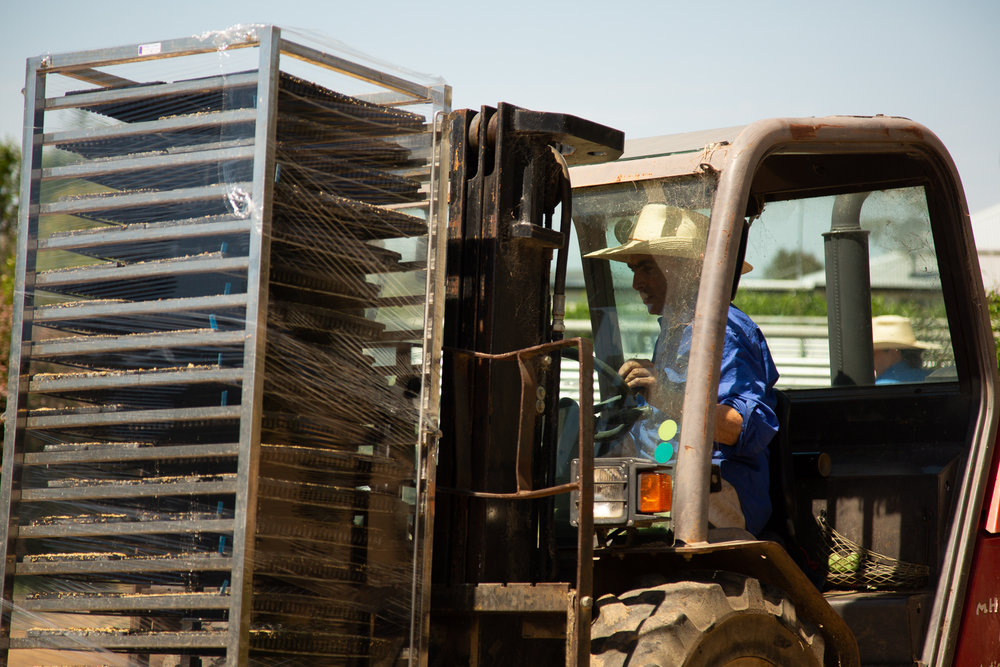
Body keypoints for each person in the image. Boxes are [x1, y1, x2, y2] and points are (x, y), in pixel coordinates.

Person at [585, 203, 779, 537]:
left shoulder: (723, 329)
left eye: (646, 267)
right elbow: (664, 425)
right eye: (633, 269)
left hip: (718, 494)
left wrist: (665, 393)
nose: (636, 283)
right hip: (666, 484)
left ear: (686, 269)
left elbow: (743, 428)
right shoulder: (676, 331)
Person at [872, 315, 936, 384]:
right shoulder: (934, 378)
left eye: (873, 354)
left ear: (894, 352)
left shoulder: (879, 386)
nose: (871, 361)